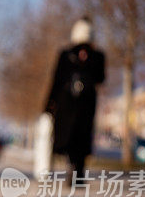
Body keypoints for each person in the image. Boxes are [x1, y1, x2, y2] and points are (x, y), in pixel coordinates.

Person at [44, 17, 105, 180]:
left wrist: (49, 105)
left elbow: (56, 81)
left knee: (70, 137)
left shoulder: (66, 54)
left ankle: (73, 166)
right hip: (85, 104)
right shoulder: (98, 56)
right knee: (81, 138)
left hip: (67, 104)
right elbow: (101, 79)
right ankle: (78, 170)